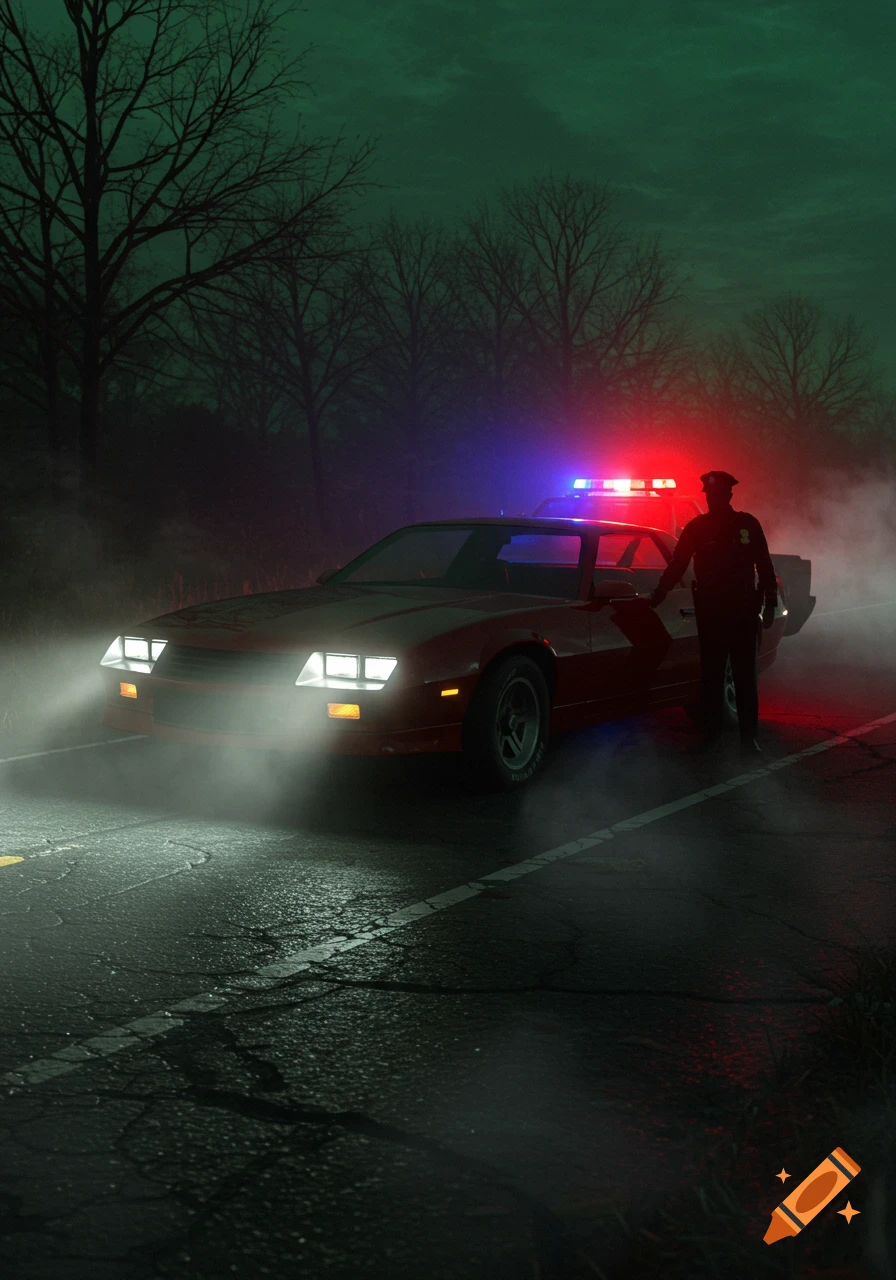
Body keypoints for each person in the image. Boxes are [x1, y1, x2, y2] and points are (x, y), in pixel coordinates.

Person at [648, 471, 777, 755]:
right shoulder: (696, 528)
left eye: (717, 495)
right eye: (709, 495)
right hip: (712, 613)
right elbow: (677, 565)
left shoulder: (747, 524)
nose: (713, 499)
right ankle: (712, 736)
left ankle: (748, 740)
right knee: (711, 676)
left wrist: (770, 602)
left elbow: (764, 565)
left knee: (744, 677)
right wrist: (658, 594)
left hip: (742, 611)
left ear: (729, 496)